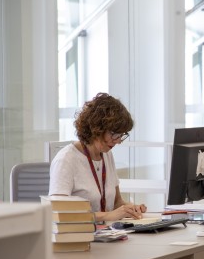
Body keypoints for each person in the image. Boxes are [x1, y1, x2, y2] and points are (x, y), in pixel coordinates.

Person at [49, 92, 147, 223]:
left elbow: (117, 202)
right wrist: (107, 216)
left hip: (108, 235)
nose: (118, 141)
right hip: (81, 238)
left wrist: (129, 209)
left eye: (121, 135)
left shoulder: (107, 154)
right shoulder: (66, 160)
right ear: (97, 129)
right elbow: (59, 213)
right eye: (114, 134)